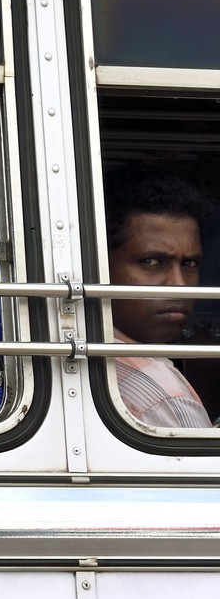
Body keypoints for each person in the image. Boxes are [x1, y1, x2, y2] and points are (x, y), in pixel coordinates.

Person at [103, 163, 210, 428]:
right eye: (151, 262)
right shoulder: (164, 398)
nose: (179, 285)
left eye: (190, 264)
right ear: (100, 266)